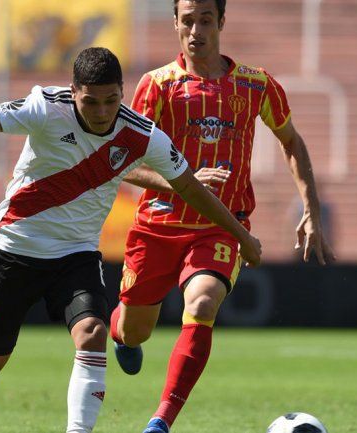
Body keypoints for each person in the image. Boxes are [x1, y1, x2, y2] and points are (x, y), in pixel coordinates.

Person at [0, 47, 262, 433]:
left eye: (111, 100)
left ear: (122, 93)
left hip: (76, 254)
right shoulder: (45, 108)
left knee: (92, 333)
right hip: (14, 247)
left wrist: (241, 235)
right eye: (91, 102)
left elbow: (191, 189)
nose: (102, 112)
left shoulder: (143, 136)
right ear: (74, 91)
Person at [109, 2, 335, 432]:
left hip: (221, 227)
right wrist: (183, 182)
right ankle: (121, 333)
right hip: (157, 228)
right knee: (135, 329)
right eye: (188, 20)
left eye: (206, 20)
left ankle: (161, 421)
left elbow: (290, 141)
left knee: (203, 302)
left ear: (221, 23)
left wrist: (311, 209)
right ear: (175, 22)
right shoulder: (157, 85)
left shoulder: (255, 85)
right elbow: (120, 160)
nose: (196, 30)